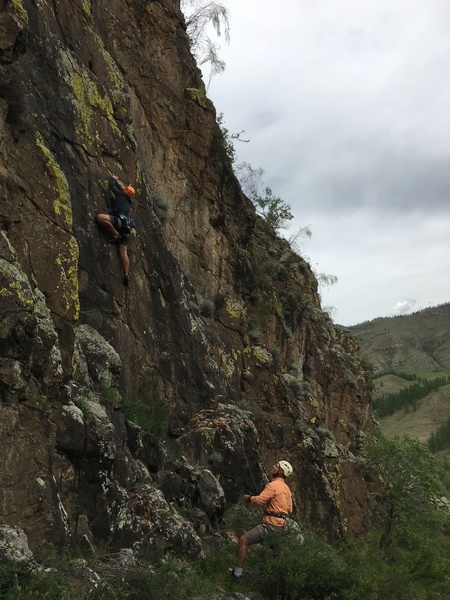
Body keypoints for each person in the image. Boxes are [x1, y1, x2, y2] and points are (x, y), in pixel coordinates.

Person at [230, 459, 294, 579]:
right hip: (281, 527)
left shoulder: (273, 485)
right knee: (274, 555)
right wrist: (271, 509)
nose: (273, 467)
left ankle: (237, 573)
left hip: (270, 525)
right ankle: (273, 581)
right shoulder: (287, 489)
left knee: (244, 540)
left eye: (276, 466)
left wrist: (249, 498)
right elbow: (289, 510)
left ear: (280, 471)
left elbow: (259, 501)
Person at [96, 175, 135, 287]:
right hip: (126, 226)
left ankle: (115, 234)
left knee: (100, 217)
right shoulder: (128, 202)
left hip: (118, 222)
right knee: (123, 252)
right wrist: (119, 183)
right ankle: (126, 275)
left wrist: (114, 179)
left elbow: (112, 187)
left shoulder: (121, 195)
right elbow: (120, 190)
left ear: (125, 191)